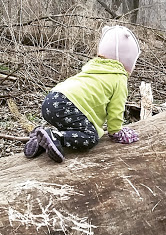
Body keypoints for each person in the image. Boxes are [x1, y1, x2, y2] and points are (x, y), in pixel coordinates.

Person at [24, 25, 141, 163]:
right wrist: (116, 132)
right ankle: (55, 136)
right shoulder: (119, 78)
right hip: (68, 105)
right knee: (90, 137)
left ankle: (41, 139)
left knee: (76, 126)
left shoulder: (94, 66)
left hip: (52, 99)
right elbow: (116, 109)